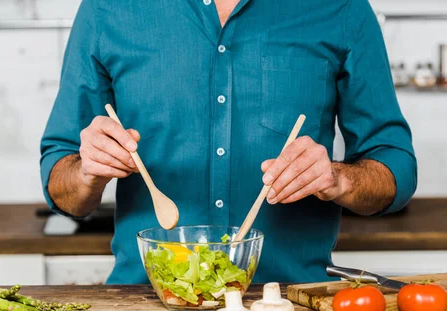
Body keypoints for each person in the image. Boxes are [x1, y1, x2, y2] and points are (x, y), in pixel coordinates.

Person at [40, 0, 417, 284]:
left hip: (291, 307)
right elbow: (61, 187)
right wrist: (88, 172)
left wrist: (338, 178)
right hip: (146, 305)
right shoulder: (107, 9)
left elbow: (395, 166)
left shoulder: (342, 8)